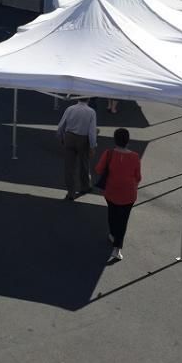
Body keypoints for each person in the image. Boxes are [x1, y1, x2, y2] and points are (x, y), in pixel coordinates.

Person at [95, 128, 142, 262]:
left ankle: (112, 234)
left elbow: (98, 169)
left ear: (115, 140)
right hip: (128, 193)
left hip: (111, 191)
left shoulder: (108, 153)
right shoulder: (135, 156)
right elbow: (138, 177)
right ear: (128, 141)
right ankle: (117, 248)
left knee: (112, 213)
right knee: (123, 220)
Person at [57, 97, 97, 201]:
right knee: (84, 164)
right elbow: (92, 131)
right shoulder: (91, 112)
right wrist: (93, 146)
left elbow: (61, 125)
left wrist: (61, 137)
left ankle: (71, 192)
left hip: (69, 137)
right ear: (88, 99)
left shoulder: (70, 109)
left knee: (69, 167)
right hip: (83, 139)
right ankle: (84, 186)